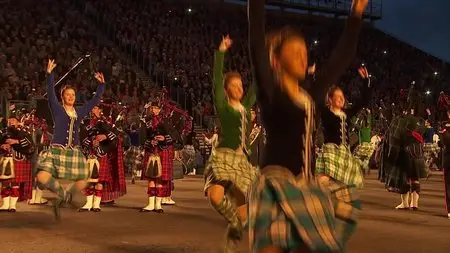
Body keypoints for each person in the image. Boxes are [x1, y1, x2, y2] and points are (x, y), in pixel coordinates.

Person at [247, 0, 367, 252]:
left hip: (306, 186)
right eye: (295, 53)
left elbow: (341, 58)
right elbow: (256, 39)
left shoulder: (311, 94)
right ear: (277, 61)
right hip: (275, 184)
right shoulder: (270, 91)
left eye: (305, 52)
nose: (304, 58)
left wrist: (355, 14)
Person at [204, 35, 258, 252]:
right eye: (233, 85)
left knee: (246, 200)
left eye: (240, 85)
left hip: (242, 160)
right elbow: (217, 79)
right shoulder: (223, 106)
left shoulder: (246, 106)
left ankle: (239, 223)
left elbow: (256, 86)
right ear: (226, 91)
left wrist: (269, 65)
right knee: (215, 197)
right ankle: (236, 220)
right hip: (224, 157)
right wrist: (221, 52)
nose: (238, 88)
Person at [36, 59, 105, 220]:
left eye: (73, 94)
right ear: (63, 97)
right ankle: (62, 194)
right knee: (42, 176)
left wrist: (101, 86)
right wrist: (49, 74)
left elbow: (94, 101)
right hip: (57, 149)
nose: (71, 97)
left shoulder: (80, 112)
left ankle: (65, 195)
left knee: (84, 180)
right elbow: (50, 92)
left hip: (73, 150)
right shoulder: (57, 109)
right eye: (67, 94)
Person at [383, 83, 428, 210]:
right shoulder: (421, 121)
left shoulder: (401, 120)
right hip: (418, 152)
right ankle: (415, 204)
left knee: (405, 179)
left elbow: (396, 139)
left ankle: (405, 203)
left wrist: (391, 157)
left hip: (405, 153)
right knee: (415, 178)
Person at [78, 105, 126, 212]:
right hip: (90, 154)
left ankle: (96, 204)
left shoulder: (107, 122)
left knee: (100, 180)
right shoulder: (85, 123)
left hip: (102, 153)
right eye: (92, 108)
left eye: (95, 108)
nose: (92, 110)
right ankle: (88, 203)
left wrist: (105, 137)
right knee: (90, 180)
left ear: (100, 110)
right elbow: (81, 137)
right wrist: (92, 141)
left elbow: (117, 136)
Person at [140, 100, 174, 213]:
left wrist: (164, 139)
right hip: (151, 150)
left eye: (157, 108)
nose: (155, 110)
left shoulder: (166, 121)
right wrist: (150, 142)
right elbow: (143, 137)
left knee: (159, 178)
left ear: (160, 109)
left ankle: (158, 205)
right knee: (151, 177)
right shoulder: (146, 121)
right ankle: (150, 204)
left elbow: (172, 136)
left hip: (162, 150)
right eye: (153, 108)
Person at [0, 110, 36, 212]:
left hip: (19, 159)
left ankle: (13, 205)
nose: (11, 121)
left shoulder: (24, 132)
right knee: (5, 183)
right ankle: (5, 205)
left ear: (17, 121)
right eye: (10, 120)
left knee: (16, 183)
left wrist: (16, 141)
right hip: (5, 160)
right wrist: (2, 146)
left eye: (13, 120)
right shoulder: (3, 132)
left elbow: (31, 145)